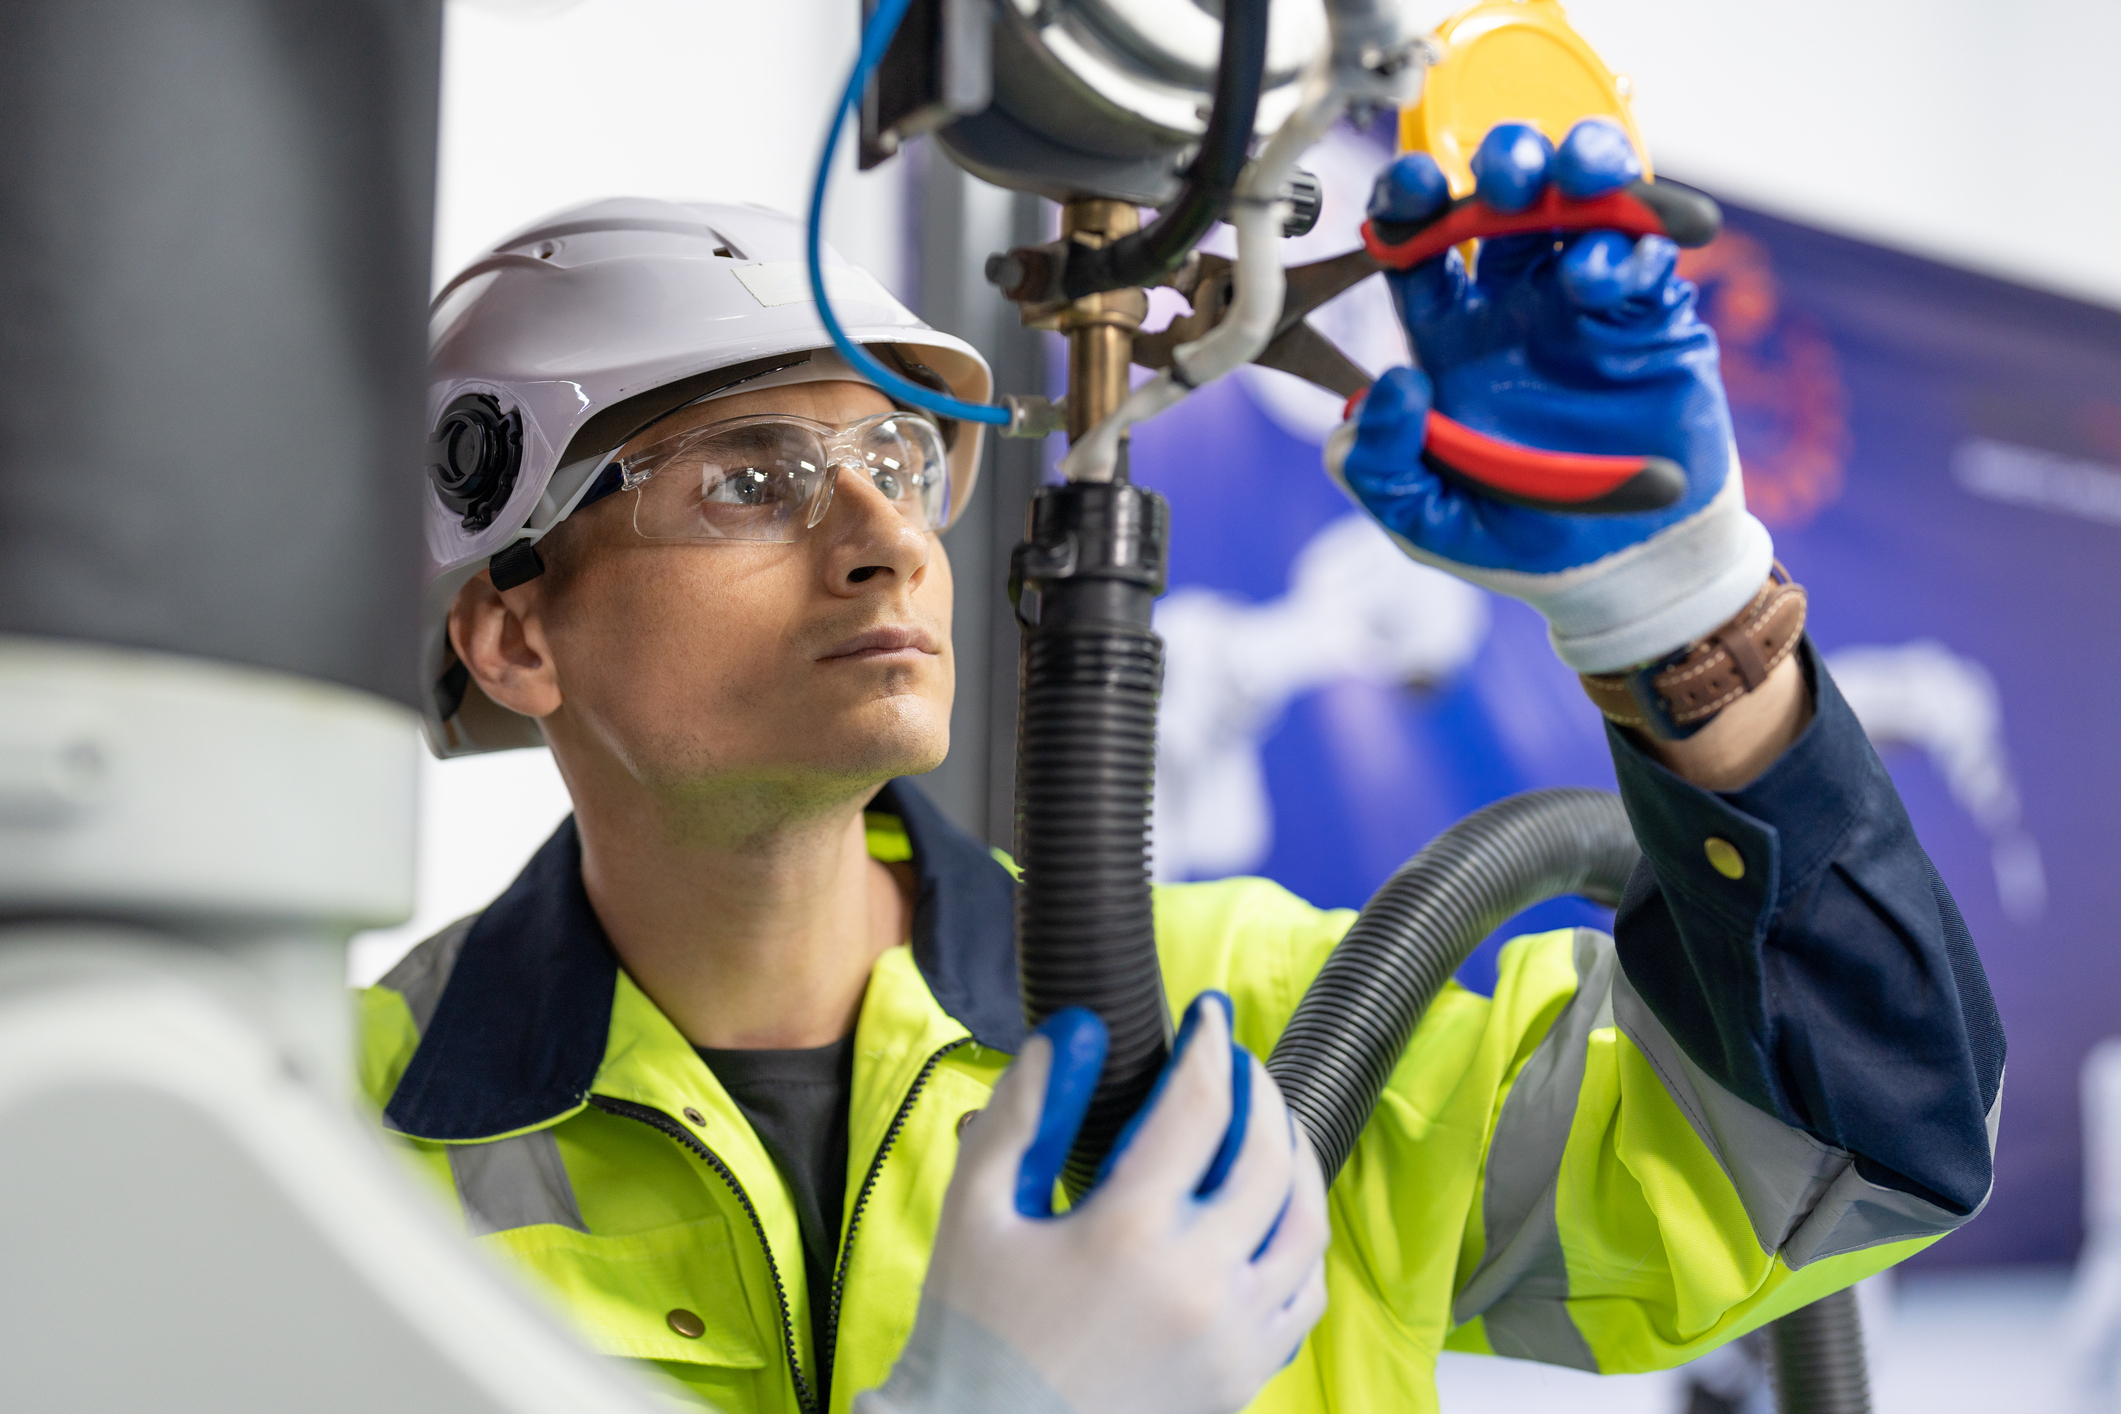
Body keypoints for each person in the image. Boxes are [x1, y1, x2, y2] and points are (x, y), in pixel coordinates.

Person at [360, 121, 2003, 1414]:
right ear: (514, 634)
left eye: (896, 458)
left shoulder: (1252, 1033)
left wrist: (1686, 617)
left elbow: (1856, 1142)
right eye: (748, 477)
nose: (884, 540)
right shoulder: (342, 1137)